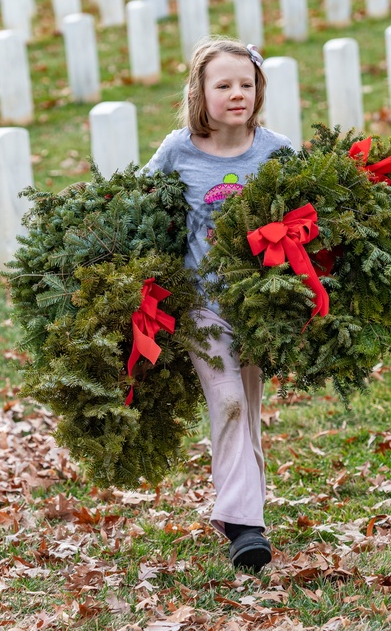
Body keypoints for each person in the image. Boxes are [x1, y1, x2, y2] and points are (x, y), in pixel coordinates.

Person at [141, 38, 292, 571]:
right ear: (199, 93)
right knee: (227, 401)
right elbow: (140, 207)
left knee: (245, 408)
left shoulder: (275, 151)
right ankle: (246, 529)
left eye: (246, 85)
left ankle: (242, 515)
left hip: (256, 306)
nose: (236, 95)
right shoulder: (178, 150)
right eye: (223, 85)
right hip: (200, 306)